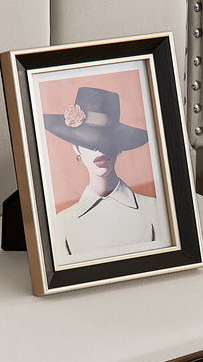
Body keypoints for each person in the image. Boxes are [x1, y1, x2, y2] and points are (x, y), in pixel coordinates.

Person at [43, 87, 169, 259]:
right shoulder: (61, 223)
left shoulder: (155, 209)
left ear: (119, 146)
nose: (98, 149)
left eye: (107, 142)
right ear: (76, 147)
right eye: (88, 141)